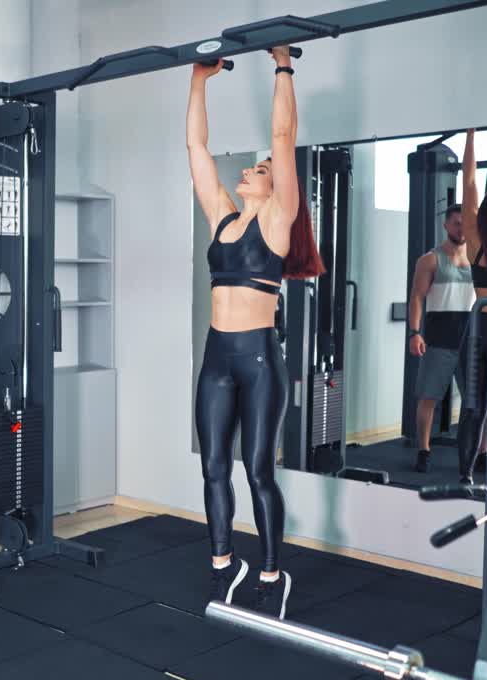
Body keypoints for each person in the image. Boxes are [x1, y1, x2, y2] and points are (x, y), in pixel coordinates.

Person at [187, 47, 325, 620]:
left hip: (261, 362)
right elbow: (196, 148)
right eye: (252, 167)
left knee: (257, 469)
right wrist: (198, 82)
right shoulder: (222, 216)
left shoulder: (276, 217)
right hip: (217, 356)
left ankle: (271, 572)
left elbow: (285, 134)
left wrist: (281, 64)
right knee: (213, 466)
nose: (249, 170)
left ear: (276, 189)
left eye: (259, 170)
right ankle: (224, 564)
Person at [407, 195, 477, 474]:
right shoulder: (430, 259)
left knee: (477, 402)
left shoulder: (479, 258)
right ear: (446, 225)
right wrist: (415, 332)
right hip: (440, 338)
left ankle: (480, 453)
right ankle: (423, 451)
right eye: (457, 224)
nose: (461, 230)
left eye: (465, 225)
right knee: (428, 397)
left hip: (473, 338)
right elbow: (416, 297)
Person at [457, 128, 487, 483]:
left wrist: (470, 136)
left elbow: (468, 181)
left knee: (474, 408)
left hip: (479, 328)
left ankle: (465, 477)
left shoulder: (475, 239)